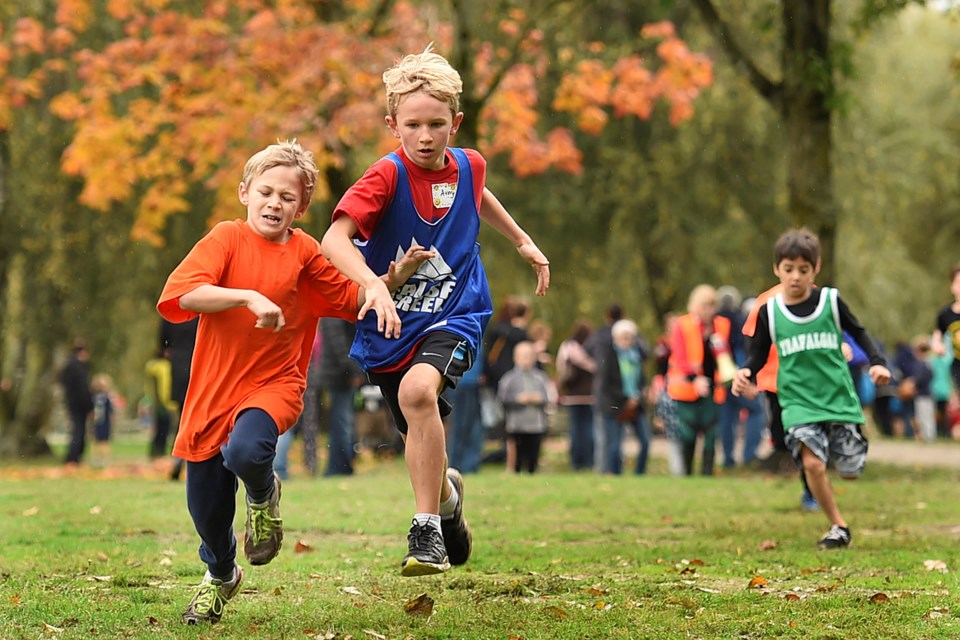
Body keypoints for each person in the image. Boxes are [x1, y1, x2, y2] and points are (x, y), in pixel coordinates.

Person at [157, 140, 429, 625]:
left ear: (301, 207)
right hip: (211, 394)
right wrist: (247, 298)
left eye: (287, 197)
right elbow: (184, 294)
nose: (274, 203)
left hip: (274, 385)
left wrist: (390, 280)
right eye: (265, 191)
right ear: (245, 192)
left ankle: (263, 495)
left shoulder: (304, 252)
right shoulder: (226, 238)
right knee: (207, 511)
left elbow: (351, 298)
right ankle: (221, 575)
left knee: (246, 452)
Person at [320, 45, 550, 577]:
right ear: (392, 125)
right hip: (392, 324)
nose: (426, 136)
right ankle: (447, 501)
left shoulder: (469, 163)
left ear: (456, 122)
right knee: (419, 434)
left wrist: (521, 240)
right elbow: (334, 239)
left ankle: (426, 535)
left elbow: (476, 191)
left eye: (437, 124)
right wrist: (373, 288)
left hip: (456, 310)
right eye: (413, 125)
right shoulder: (385, 176)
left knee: (418, 391)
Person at [732, 227, 890, 550]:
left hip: (837, 397)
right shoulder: (769, 312)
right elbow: (757, 354)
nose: (795, 277)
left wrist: (876, 361)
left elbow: (859, 332)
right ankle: (838, 526)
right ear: (777, 269)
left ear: (815, 269)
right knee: (813, 463)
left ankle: (846, 443)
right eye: (788, 269)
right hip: (798, 401)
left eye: (803, 270)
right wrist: (745, 372)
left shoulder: (830, 301)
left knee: (849, 471)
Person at [667, 285, 732, 476]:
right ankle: (687, 474)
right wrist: (695, 379)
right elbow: (679, 356)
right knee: (688, 435)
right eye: (704, 306)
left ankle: (707, 474)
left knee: (711, 435)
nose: (708, 311)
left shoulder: (722, 325)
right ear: (695, 306)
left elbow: (726, 356)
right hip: (687, 389)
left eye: (712, 306)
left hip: (714, 388)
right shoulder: (683, 324)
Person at [715, 286, 765, 467]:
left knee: (727, 415)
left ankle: (728, 459)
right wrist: (748, 378)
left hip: (719, 377)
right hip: (736, 374)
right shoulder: (738, 321)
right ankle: (749, 454)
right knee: (756, 410)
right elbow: (741, 351)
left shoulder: (714, 321)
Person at [596, 319, 651, 475]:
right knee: (614, 444)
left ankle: (639, 473)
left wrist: (638, 396)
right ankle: (615, 473)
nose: (627, 341)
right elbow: (606, 384)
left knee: (645, 440)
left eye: (629, 337)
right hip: (615, 404)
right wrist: (626, 398)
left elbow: (641, 379)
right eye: (623, 337)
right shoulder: (608, 356)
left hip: (636, 403)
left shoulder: (636, 356)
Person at [497, 341, 556, 473]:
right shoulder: (509, 378)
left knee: (533, 455)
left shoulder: (540, 377)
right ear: (515, 358)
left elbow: (548, 397)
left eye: (529, 356)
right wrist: (517, 399)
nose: (526, 359)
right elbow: (502, 399)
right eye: (522, 356)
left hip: (536, 424)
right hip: (516, 424)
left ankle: (532, 473)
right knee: (517, 456)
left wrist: (539, 399)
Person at [317, 316, 363, 476]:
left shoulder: (330, 315)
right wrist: (353, 368)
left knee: (340, 422)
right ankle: (340, 467)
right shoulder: (333, 314)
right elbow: (338, 343)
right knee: (342, 422)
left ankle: (339, 465)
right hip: (339, 375)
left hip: (337, 372)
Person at [160, 317, 199, 480]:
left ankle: (178, 459)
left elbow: (163, 344)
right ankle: (196, 461)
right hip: (199, 365)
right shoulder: (202, 314)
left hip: (178, 369)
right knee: (199, 417)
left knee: (182, 419)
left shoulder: (172, 315)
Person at [555, 319, 596, 471]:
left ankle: (576, 462)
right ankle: (590, 460)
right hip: (590, 395)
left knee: (576, 429)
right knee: (590, 429)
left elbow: (560, 367)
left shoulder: (568, 347)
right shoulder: (592, 348)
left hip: (572, 395)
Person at [447, 353, 485, 474]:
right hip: (462, 382)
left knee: (473, 426)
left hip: (472, 383)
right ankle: (456, 466)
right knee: (461, 426)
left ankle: (468, 466)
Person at [60, 339, 94, 466]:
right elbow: (83, 388)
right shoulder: (80, 367)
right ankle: (74, 457)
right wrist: (89, 406)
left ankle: (72, 456)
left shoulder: (68, 366)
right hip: (80, 404)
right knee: (79, 430)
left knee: (76, 429)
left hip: (71, 402)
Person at [144, 347, 177, 460]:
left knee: (160, 429)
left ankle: (156, 453)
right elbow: (165, 388)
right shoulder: (163, 367)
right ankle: (159, 454)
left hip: (158, 402)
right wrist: (170, 403)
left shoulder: (153, 366)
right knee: (164, 429)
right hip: (163, 403)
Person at [91, 373, 115, 468]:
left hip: (100, 422)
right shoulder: (105, 398)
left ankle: (99, 459)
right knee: (102, 442)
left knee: (99, 441)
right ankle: (102, 459)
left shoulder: (95, 398)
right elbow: (111, 411)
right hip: (102, 422)